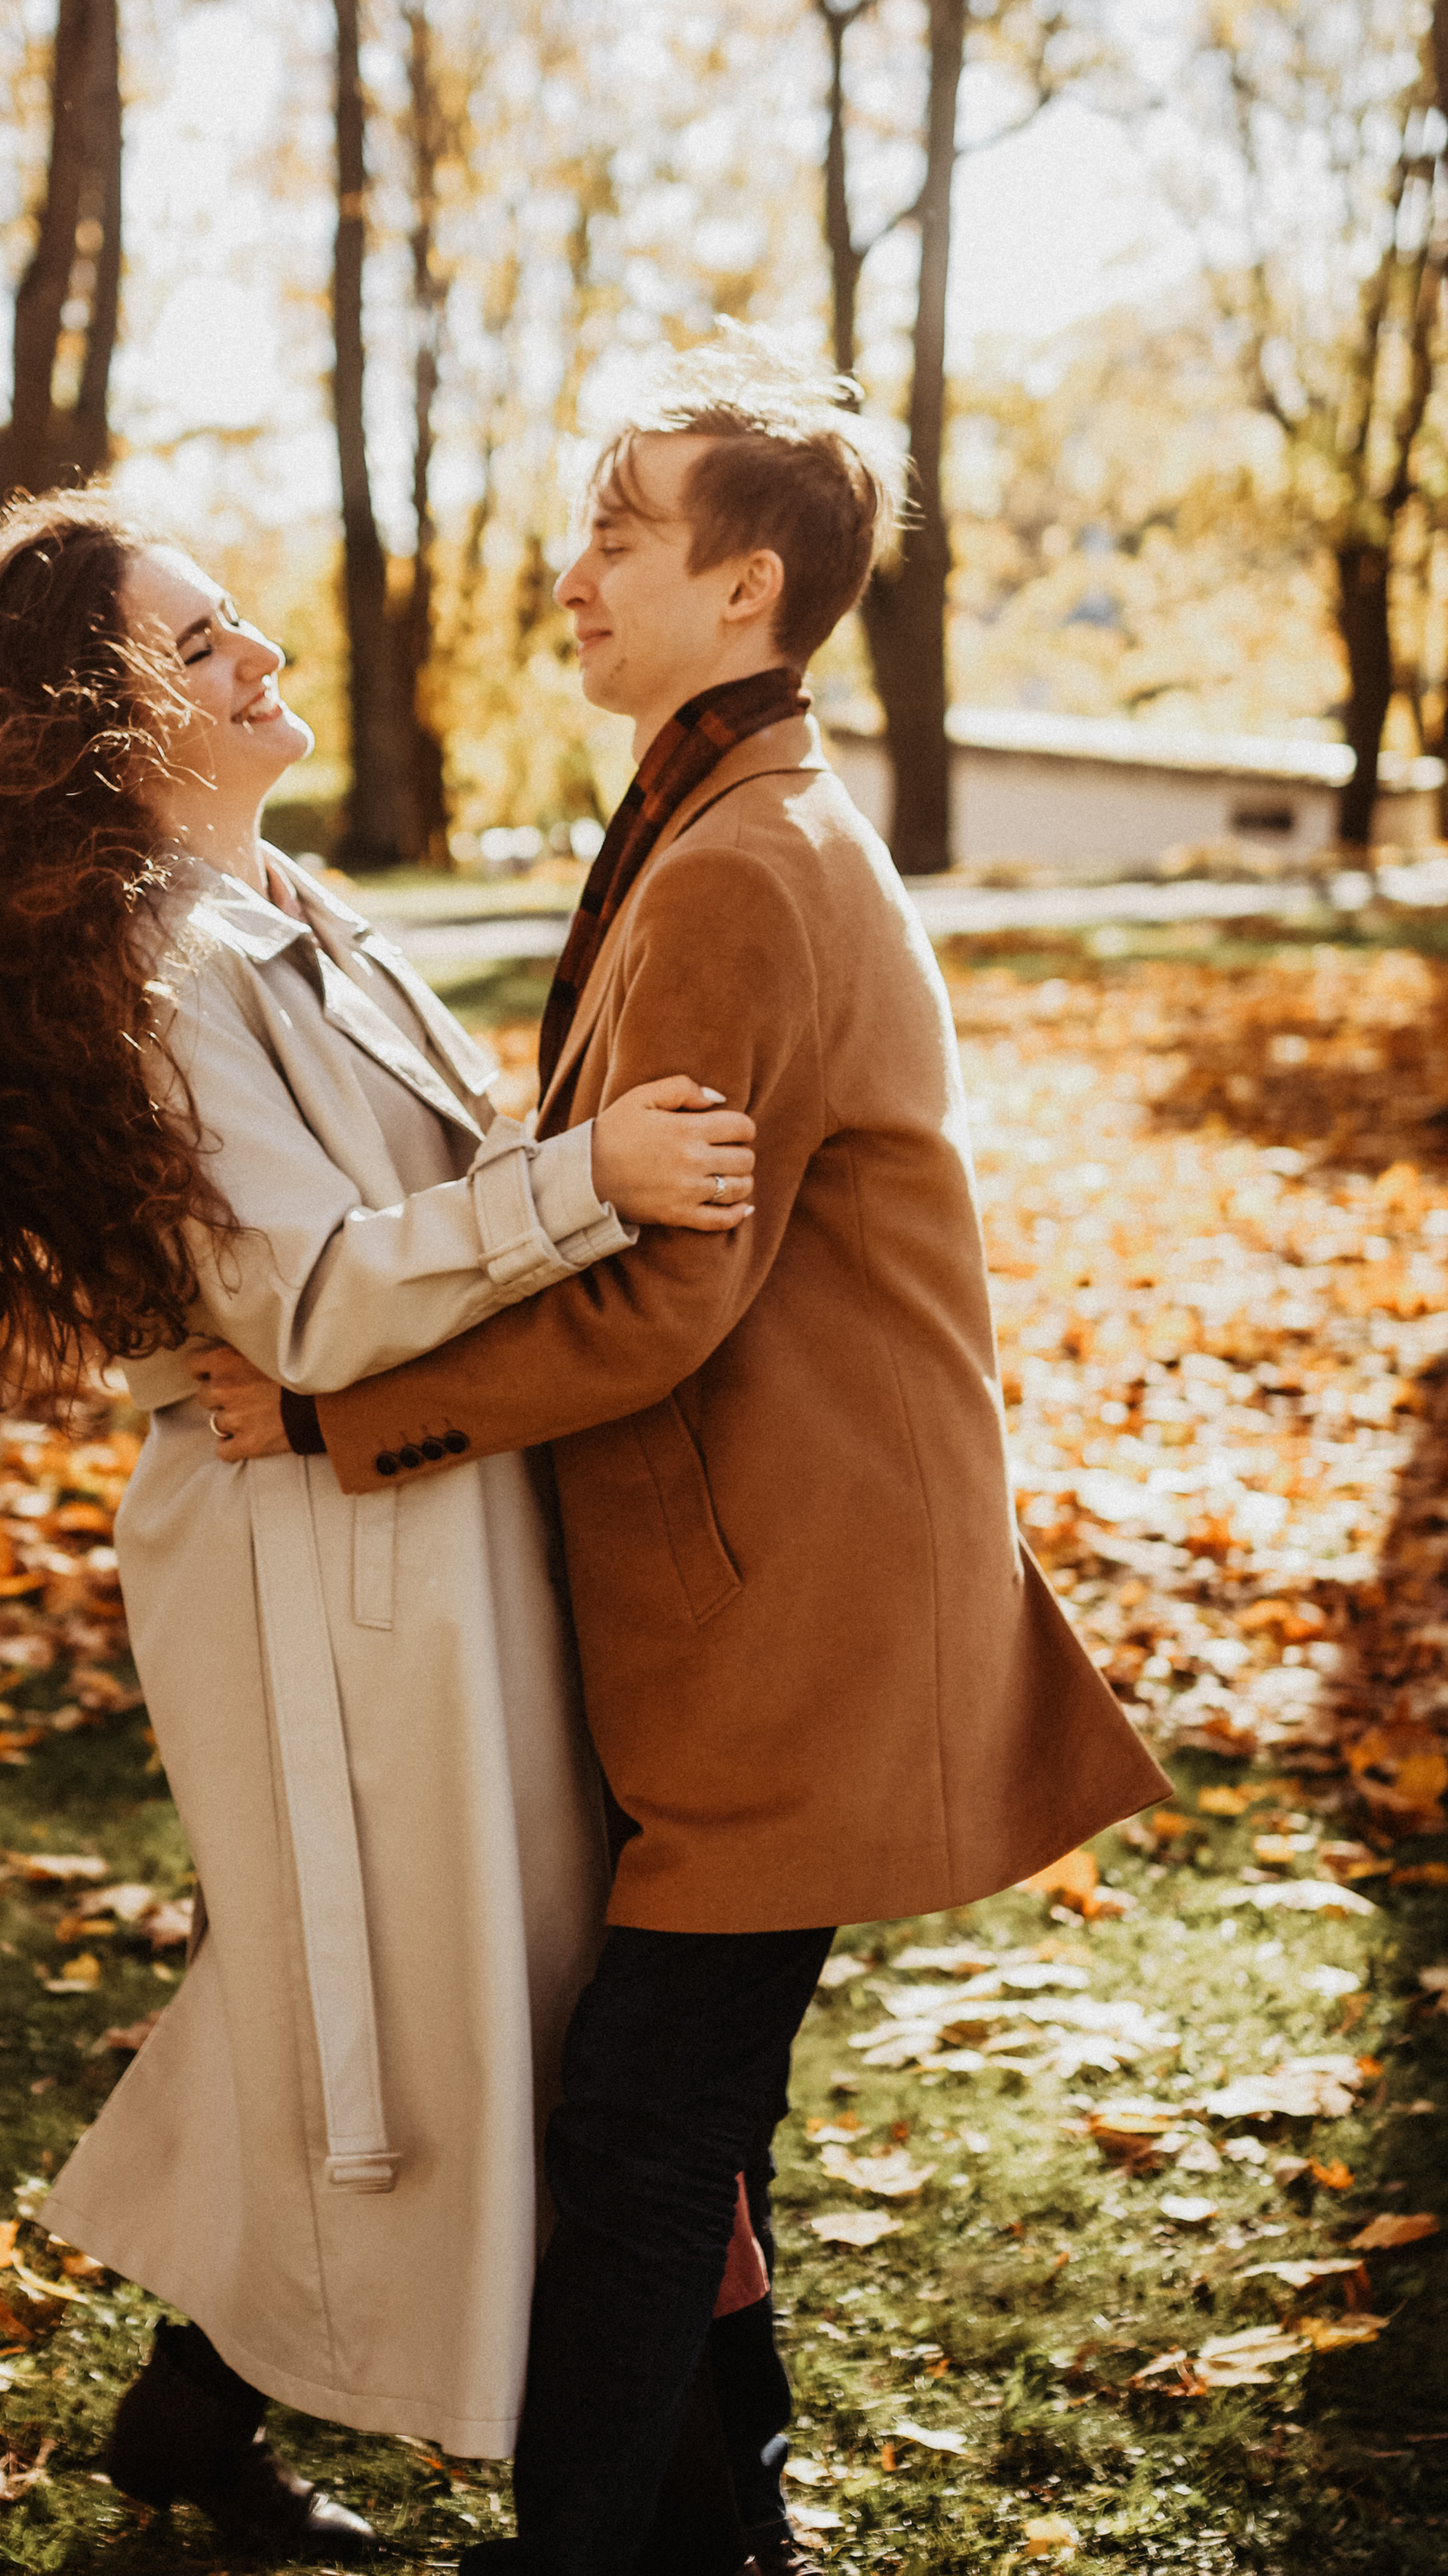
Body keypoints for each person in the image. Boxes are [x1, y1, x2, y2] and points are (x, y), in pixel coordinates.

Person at [196, 330, 1174, 2576]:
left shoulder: (743, 865)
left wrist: (347, 1410)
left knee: (640, 2135)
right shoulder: (720, 817)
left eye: (620, 536)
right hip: (756, 1591)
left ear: (749, 589)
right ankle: (724, 2513)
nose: (569, 572)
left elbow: (666, 1300)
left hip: (797, 1614)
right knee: (681, 2113)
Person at [0, 490, 761, 2559]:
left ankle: (199, 2421)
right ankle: (685, 2511)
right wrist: (593, 1183)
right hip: (316, 1564)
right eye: (198, 644)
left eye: (232, 615)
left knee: (392, 1988)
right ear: (97, 719)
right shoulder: (141, 961)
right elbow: (297, 1292)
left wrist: (587, 1151)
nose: (258, 648)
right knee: (431, 2001)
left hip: (414, 1505)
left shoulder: (293, 901)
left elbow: (436, 1182)